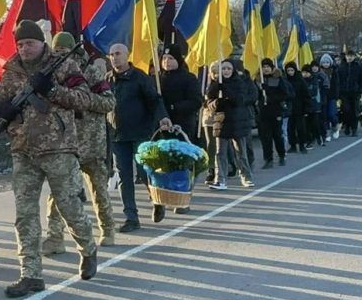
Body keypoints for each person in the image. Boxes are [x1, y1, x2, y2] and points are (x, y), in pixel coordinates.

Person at [0, 21, 99, 298]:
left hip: (59, 148)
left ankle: (87, 248)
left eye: (29, 43)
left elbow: (85, 99)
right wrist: (1, 109)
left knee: (69, 207)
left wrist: (51, 90)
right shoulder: (11, 70)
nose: (23, 48)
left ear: (42, 43)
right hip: (23, 149)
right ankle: (30, 274)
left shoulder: (64, 65)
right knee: (25, 215)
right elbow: (3, 101)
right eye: (19, 44)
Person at [42, 32, 117, 251]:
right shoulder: (53, 73)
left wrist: (83, 100)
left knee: (99, 191)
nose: (62, 57)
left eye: (65, 52)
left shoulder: (91, 72)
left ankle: (108, 228)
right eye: (57, 53)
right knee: (59, 191)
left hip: (91, 143)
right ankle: (55, 237)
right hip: (65, 144)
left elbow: (108, 102)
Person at [106, 43, 172, 230]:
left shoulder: (140, 78)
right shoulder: (107, 80)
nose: (114, 57)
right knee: (124, 177)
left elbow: (155, 100)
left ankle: (156, 200)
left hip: (141, 133)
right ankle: (131, 218)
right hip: (118, 136)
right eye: (111, 54)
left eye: (118, 53)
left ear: (127, 55)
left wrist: (163, 117)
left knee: (144, 173)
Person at [157, 44, 203, 209]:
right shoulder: (157, 78)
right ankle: (167, 195)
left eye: (171, 59)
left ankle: (182, 199)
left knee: (181, 163)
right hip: (162, 127)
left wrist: (175, 107)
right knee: (164, 163)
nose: (167, 62)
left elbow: (196, 101)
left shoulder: (188, 78)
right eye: (165, 59)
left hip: (182, 126)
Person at [205, 59, 256, 189]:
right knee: (220, 153)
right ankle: (220, 179)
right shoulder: (216, 84)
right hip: (221, 122)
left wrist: (227, 91)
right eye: (223, 69)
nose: (226, 71)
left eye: (228, 68)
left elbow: (240, 99)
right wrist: (217, 102)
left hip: (238, 121)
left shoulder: (239, 82)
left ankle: (246, 177)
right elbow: (209, 101)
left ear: (233, 70)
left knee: (241, 153)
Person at [256, 59, 287, 168]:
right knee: (266, 137)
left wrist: (269, 94)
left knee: (277, 135)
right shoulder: (258, 79)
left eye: (268, 67)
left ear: (272, 67)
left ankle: (282, 155)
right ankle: (268, 159)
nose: (266, 69)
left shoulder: (277, 79)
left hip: (275, 111)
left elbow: (284, 94)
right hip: (263, 113)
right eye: (263, 67)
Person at [336, 50, 362, 137]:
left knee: (354, 111)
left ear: (354, 57)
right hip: (344, 93)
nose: (349, 57)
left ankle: (354, 129)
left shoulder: (358, 67)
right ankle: (347, 126)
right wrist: (339, 91)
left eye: (351, 56)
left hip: (355, 92)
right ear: (345, 56)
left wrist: (360, 90)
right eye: (348, 56)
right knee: (346, 110)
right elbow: (338, 80)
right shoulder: (341, 67)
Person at [284, 62, 311, 154]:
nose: (290, 72)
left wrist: (306, 108)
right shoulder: (285, 81)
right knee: (290, 128)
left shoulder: (300, 80)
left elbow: (306, 95)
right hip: (289, 108)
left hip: (300, 107)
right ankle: (292, 145)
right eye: (288, 70)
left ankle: (302, 145)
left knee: (300, 127)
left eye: (292, 70)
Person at [318, 55, 339, 141]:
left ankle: (335, 126)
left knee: (331, 114)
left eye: (327, 62)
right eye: (323, 62)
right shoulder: (319, 73)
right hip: (323, 96)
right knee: (324, 115)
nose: (325, 64)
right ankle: (327, 133)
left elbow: (337, 85)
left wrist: (336, 95)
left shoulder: (334, 72)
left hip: (331, 96)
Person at [302, 63, 323, 147]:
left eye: (307, 72)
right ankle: (309, 140)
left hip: (314, 105)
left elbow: (314, 92)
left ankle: (318, 136)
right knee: (306, 124)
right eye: (303, 72)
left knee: (315, 123)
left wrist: (305, 93)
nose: (305, 74)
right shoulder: (301, 80)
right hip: (304, 105)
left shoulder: (314, 80)